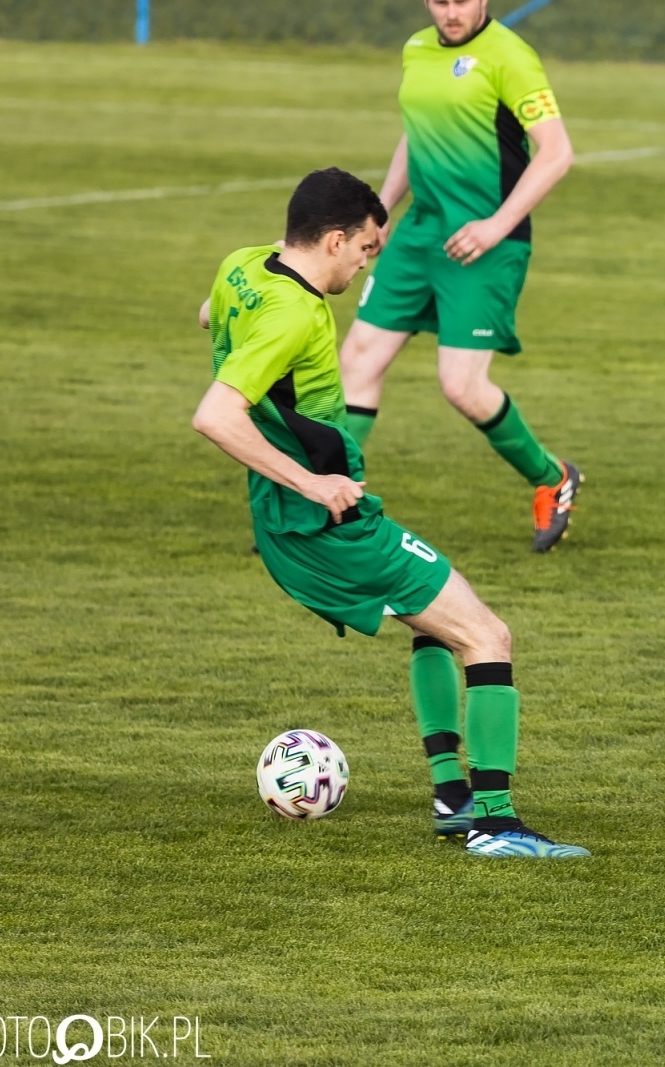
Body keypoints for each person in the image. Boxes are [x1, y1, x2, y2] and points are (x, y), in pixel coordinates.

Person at [192, 167, 588, 859]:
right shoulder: (293, 315)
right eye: (366, 249)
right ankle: (495, 824)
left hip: (285, 518)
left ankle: (453, 797)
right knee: (488, 636)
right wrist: (316, 485)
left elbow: (209, 313)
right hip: (326, 525)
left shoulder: (243, 266)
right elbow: (215, 415)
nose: (368, 263)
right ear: (334, 240)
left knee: (433, 620)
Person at [340, 0, 582, 553]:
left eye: (462, 0)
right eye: (440, 1)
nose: (451, 12)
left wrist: (496, 225)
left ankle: (553, 478)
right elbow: (416, 134)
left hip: (484, 242)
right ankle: (333, 500)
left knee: (462, 386)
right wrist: (381, 211)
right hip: (419, 234)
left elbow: (557, 152)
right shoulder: (417, 49)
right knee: (358, 359)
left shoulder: (510, 56)